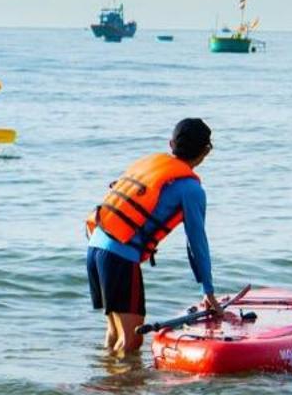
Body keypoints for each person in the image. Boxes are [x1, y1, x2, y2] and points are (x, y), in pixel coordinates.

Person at [85, 118, 220, 356]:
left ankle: (106, 385)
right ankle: (120, 390)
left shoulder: (151, 166)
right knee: (132, 341)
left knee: (116, 334)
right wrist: (207, 291)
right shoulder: (191, 189)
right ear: (206, 151)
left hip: (95, 245)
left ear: (171, 144)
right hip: (119, 256)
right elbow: (197, 243)